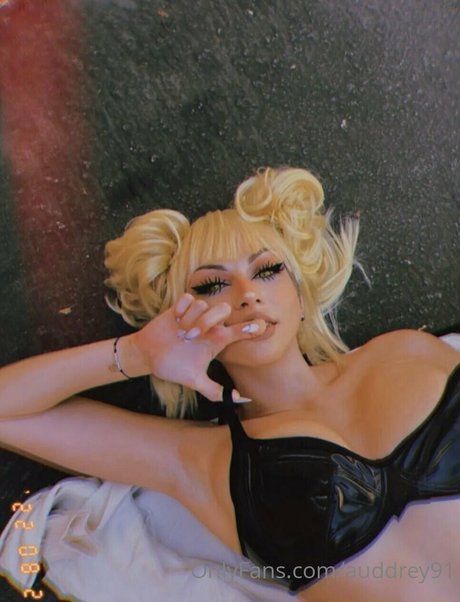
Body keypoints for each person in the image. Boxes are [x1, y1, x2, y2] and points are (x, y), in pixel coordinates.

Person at [0, 166, 459, 602]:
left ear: (300, 292)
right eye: (210, 286)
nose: (247, 294)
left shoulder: (405, 352)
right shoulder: (202, 462)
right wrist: (139, 354)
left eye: (267, 270)